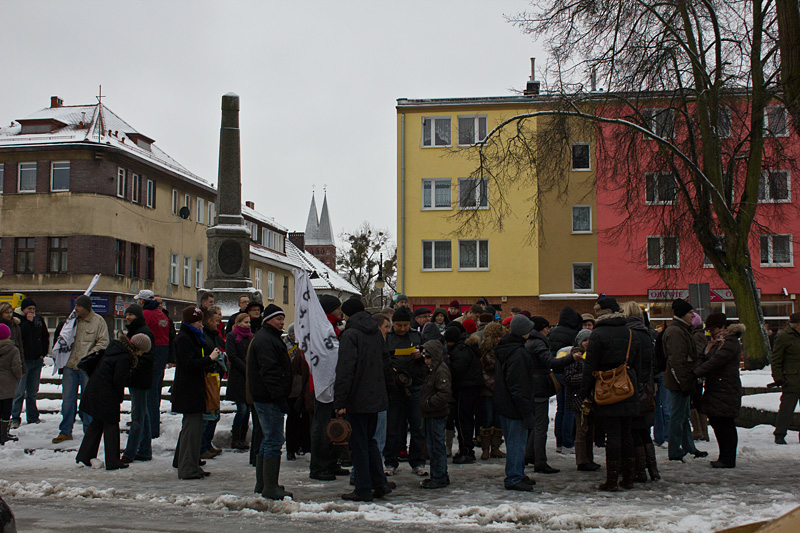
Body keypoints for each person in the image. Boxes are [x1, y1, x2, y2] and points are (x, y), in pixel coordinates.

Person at [334, 297, 392, 501]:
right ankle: (379, 483)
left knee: (359, 444)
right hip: (375, 394)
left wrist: (339, 401)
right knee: (371, 442)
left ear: (348, 314)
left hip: (357, 397)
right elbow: (385, 362)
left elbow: (345, 369)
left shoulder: (350, 334)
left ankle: (363, 489)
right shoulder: (375, 332)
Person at [582, 297, 642, 492]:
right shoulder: (631, 333)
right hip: (628, 385)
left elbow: (590, 365)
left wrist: (585, 391)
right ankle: (629, 477)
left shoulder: (598, 335)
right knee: (627, 433)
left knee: (613, 434)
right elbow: (639, 364)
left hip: (607, 387)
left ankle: (612, 479)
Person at [76, 334, 151, 469]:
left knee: (97, 423)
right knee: (111, 425)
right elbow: (118, 379)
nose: (140, 355)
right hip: (106, 394)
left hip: (96, 389)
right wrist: (118, 397)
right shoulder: (124, 357)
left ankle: (84, 456)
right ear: (138, 348)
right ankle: (112, 461)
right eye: (142, 352)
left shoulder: (115, 349)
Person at [249, 304, 294, 500]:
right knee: (273, 439)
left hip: (265, 397)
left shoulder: (267, 337)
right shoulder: (267, 340)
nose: (281, 322)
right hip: (269, 398)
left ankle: (264, 483)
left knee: (267, 439)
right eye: (278, 318)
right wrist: (279, 398)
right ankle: (270, 486)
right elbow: (269, 372)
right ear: (268, 320)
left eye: (283, 318)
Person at [53, 295, 110, 444]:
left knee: (88, 400)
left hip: (86, 368)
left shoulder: (98, 322)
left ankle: (89, 432)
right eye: (75, 306)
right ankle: (65, 431)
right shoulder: (71, 321)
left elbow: (103, 343)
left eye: (79, 306)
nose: (76, 309)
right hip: (69, 366)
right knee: (67, 401)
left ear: (87, 307)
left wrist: (88, 357)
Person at [172, 306, 220, 480]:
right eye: (198, 322)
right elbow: (189, 364)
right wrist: (210, 359)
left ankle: (192, 465)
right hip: (188, 391)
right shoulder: (184, 338)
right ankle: (187, 467)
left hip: (195, 390)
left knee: (194, 431)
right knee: (190, 432)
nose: (201, 325)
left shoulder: (193, 336)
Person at [525, 316, 577, 474]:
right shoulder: (539, 343)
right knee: (541, 425)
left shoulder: (529, 341)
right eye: (547, 327)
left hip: (531, 386)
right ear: (541, 328)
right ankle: (540, 461)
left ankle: (529, 455)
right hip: (539, 387)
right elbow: (550, 362)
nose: (549, 331)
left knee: (536, 424)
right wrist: (571, 358)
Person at [693, 313, 743, 467]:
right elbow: (706, 359)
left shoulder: (730, 342)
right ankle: (724, 457)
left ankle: (728, 459)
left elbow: (715, 362)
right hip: (717, 388)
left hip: (726, 389)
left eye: (713, 329)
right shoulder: (718, 343)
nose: (711, 332)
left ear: (722, 327)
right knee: (717, 422)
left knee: (725, 424)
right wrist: (707, 350)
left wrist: (695, 373)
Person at [494, 314, 537, 491]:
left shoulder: (506, 348)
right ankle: (514, 476)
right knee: (517, 442)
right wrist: (526, 410)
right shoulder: (518, 353)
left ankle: (517, 472)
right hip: (515, 405)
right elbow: (518, 385)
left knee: (515, 441)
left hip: (505, 403)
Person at [384, 307, 427, 476]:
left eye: (405, 325)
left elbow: (430, 355)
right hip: (394, 390)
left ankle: (418, 462)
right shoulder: (387, 338)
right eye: (399, 325)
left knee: (418, 427)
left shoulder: (417, 336)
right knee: (392, 428)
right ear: (393, 323)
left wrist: (422, 355)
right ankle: (390, 461)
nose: (402, 328)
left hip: (415, 387)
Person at [309, 295, 348, 481]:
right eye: (337, 307)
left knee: (334, 426)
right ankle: (319, 466)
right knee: (322, 426)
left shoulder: (334, 326)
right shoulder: (321, 328)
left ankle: (332, 462)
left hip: (333, 382)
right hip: (322, 384)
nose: (340, 310)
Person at [663, 298, 708, 461]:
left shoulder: (682, 329)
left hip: (683, 379)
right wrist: (684, 382)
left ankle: (688, 446)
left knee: (683, 415)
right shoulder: (676, 331)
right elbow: (677, 360)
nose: (693, 315)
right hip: (679, 381)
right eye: (690, 312)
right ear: (683, 314)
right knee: (677, 416)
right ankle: (675, 450)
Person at [621, 301, 659, 482]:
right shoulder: (647, 333)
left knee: (633, 430)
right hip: (647, 386)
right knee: (644, 430)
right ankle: (653, 469)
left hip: (632, 386)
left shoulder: (628, 334)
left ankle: (640, 471)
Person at [121, 305, 155, 463]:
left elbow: (145, 360)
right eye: (127, 314)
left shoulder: (142, 332)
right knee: (144, 414)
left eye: (131, 315)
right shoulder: (136, 330)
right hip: (140, 378)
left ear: (138, 317)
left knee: (138, 417)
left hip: (140, 379)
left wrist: (131, 374)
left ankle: (130, 452)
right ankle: (145, 450)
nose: (128, 317)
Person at [548, 306, 583, 455]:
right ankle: (568, 442)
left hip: (556, 372)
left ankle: (559, 441)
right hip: (570, 372)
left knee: (560, 409)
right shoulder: (574, 334)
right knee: (570, 409)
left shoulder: (553, 332)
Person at [136, 290, 171, 439]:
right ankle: (153, 426)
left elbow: (140, 336)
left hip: (150, 353)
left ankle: (148, 428)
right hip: (162, 352)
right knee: (155, 391)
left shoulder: (145, 315)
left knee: (148, 392)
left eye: (139, 300)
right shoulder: (162, 315)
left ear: (143, 301)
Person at [563, 329, 599, 471]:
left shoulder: (592, 355)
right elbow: (568, 378)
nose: (588, 343)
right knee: (581, 429)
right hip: (578, 398)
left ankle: (589, 458)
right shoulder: (575, 356)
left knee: (590, 429)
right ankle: (582, 460)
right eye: (585, 340)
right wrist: (587, 377)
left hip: (590, 397)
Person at [446, 325, 482, 464]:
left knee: (462, 420)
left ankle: (466, 450)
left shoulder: (459, 350)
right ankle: (466, 448)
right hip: (472, 387)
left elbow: (456, 371)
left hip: (463, 388)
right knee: (467, 420)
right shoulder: (468, 347)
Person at [11, 298, 48, 428]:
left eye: (33, 309)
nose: (32, 311)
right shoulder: (17, 320)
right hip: (23, 360)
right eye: (29, 309)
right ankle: (15, 417)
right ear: (24, 309)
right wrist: (28, 322)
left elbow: (44, 336)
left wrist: (43, 352)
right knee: (19, 391)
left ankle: (33, 416)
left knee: (32, 391)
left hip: (36, 359)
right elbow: (20, 336)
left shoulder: (39, 320)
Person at [420, 339, 452, 489]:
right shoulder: (432, 369)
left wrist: (428, 403)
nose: (426, 361)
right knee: (433, 445)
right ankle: (438, 474)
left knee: (436, 446)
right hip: (430, 412)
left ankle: (439, 476)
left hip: (435, 413)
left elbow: (444, 393)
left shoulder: (440, 370)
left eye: (428, 357)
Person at [770, 312, 800, 445]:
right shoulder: (784, 336)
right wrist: (778, 378)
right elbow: (776, 359)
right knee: (787, 409)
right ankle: (780, 434)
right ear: (797, 325)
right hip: (791, 379)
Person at [200, 306, 225, 459]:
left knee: (214, 413)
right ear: (209, 321)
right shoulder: (205, 336)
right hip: (208, 376)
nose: (218, 323)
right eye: (216, 321)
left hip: (214, 376)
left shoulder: (213, 335)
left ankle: (207, 443)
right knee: (208, 414)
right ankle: (202, 447)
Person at [478, 322, 506, 460]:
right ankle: (485, 448)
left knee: (498, 419)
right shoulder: (483, 350)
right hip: (487, 390)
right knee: (488, 419)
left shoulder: (502, 349)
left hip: (499, 389)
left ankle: (495, 448)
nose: (499, 339)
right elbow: (482, 370)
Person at [226, 312, 252, 450]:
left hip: (248, 378)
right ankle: (236, 437)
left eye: (249, 323)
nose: (248, 325)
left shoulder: (250, 337)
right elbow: (232, 356)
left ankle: (243, 436)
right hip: (238, 377)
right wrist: (246, 368)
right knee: (241, 409)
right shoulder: (232, 336)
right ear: (238, 323)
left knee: (247, 409)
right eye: (245, 322)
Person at [285, 324, 312, 460]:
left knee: (306, 418)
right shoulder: (287, 346)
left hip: (304, 386)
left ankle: (304, 445)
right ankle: (291, 448)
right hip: (293, 388)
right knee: (293, 418)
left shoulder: (305, 345)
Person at [0, 323, 23, 445]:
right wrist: (19, 376)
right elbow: (16, 366)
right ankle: (3, 434)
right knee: (6, 409)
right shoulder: (13, 349)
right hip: (8, 383)